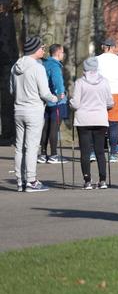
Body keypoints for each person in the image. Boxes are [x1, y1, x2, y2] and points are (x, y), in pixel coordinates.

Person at [11, 36, 58, 192]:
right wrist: (55, 98)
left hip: (18, 109)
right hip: (34, 110)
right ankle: (31, 181)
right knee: (31, 147)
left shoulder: (15, 66)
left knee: (19, 147)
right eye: (42, 48)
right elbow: (45, 93)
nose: (44, 50)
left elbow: (12, 90)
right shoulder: (38, 68)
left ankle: (20, 180)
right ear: (35, 49)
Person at [70, 57, 114, 189]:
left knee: (85, 151)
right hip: (100, 119)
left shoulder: (80, 82)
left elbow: (76, 104)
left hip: (83, 120)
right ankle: (103, 180)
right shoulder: (104, 82)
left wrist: (70, 102)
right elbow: (110, 103)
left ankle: (87, 180)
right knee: (100, 151)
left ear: (85, 69)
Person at [38, 44, 68, 164]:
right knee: (54, 128)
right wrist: (60, 93)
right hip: (56, 101)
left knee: (46, 127)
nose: (63, 54)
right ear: (58, 53)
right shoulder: (55, 66)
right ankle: (54, 155)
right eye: (63, 52)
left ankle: (43, 154)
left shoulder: (44, 64)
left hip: (46, 100)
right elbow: (57, 81)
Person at [97, 38, 118, 162]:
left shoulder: (97, 59)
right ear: (112, 47)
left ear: (104, 46)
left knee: (98, 124)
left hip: (100, 92)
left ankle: (96, 152)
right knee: (113, 125)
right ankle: (113, 154)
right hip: (115, 93)